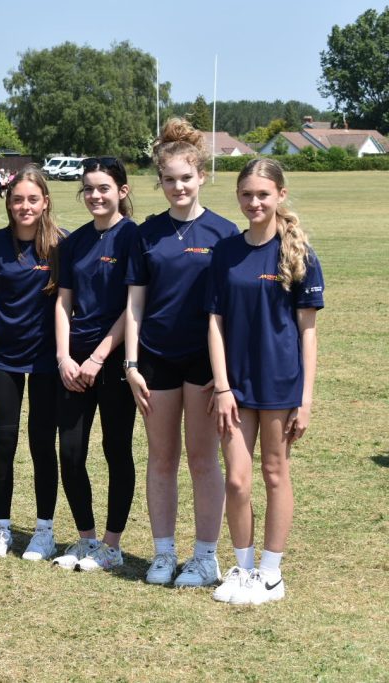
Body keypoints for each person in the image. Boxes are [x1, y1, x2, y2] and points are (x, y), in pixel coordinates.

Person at [125, 119, 239, 588]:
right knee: (161, 458)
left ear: (202, 178)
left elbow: (232, 309)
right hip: (154, 358)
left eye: (186, 178)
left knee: (201, 459)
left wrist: (224, 373)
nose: (178, 187)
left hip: (204, 364)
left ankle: (205, 557)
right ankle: (163, 553)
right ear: (160, 181)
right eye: (169, 179)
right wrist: (131, 363)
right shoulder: (146, 233)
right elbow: (135, 302)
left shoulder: (224, 233)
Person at [207, 158, 324, 605]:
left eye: (262, 194)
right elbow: (214, 322)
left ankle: (271, 573)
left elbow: (308, 333)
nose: (254, 202)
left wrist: (306, 398)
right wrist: (220, 387)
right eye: (246, 194)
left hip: (279, 384)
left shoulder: (299, 253)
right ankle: (244, 567)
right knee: (237, 480)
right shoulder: (225, 251)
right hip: (233, 386)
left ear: (280, 195)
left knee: (275, 473)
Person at [0, 165, 65, 560]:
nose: (24, 206)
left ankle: (43, 530)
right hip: (4, 358)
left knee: (42, 443)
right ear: (8, 203)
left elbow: (68, 302)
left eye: (32, 199)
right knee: (3, 440)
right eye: (17, 200)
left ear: (45, 202)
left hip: (46, 360)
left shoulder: (62, 244)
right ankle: (2, 528)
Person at [53, 156, 138, 572]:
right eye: (88, 188)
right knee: (70, 451)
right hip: (74, 365)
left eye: (103, 188)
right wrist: (65, 357)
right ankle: (86, 540)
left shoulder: (133, 239)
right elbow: (63, 301)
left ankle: (112, 546)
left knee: (115, 448)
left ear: (122, 191)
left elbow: (134, 306)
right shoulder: (74, 242)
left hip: (116, 361)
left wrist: (99, 356)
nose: (95, 195)